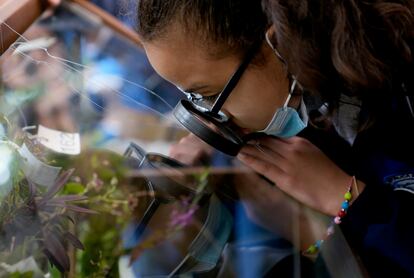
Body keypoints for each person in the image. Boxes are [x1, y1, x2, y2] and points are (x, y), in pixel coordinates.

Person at [135, 0, 414, 276]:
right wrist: (213, 164)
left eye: (209, 94)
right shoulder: (306, 92)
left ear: (276, 42)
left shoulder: (398, 89)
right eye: (192, 98)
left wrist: (345, 195)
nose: (209, 116)